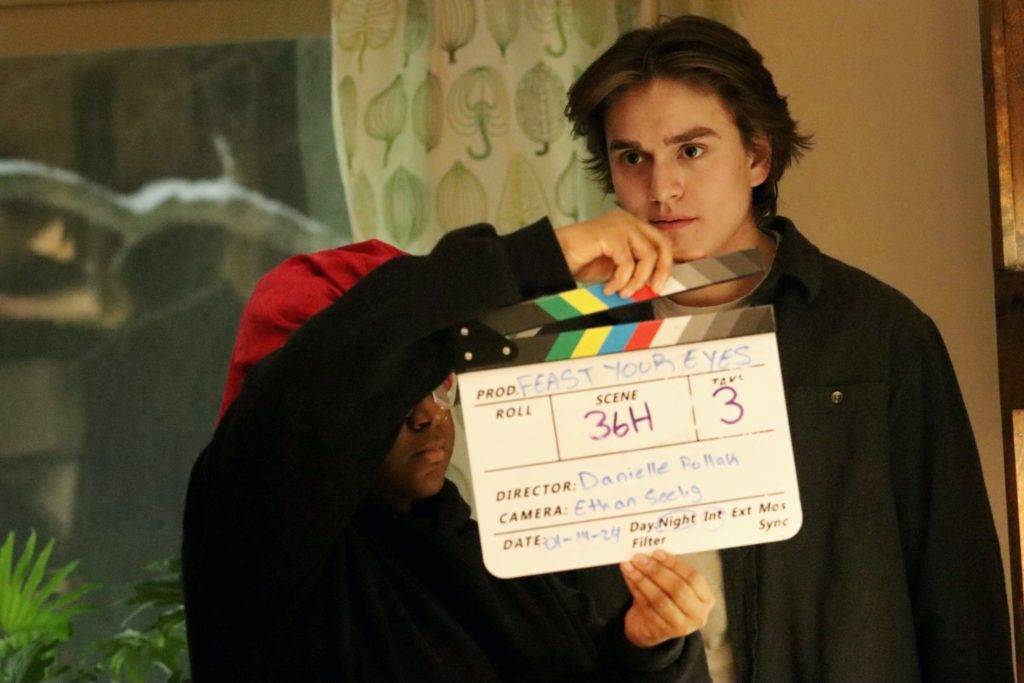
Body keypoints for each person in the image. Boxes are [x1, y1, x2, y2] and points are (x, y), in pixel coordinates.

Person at [553, 14, 1014, 683]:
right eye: (633, 158)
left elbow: (957, 591)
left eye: (692, 150)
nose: (662, 188)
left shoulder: (879, 335)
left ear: (757, 156)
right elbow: (551, 612)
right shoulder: (576, 342)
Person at [181, 213, 717, 681]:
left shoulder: (497, 558)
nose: (427, 415)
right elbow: (319, 389)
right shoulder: (253, 535)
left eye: (440, 381)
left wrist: (647, 649)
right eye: (395, 394)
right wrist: (536, 259)